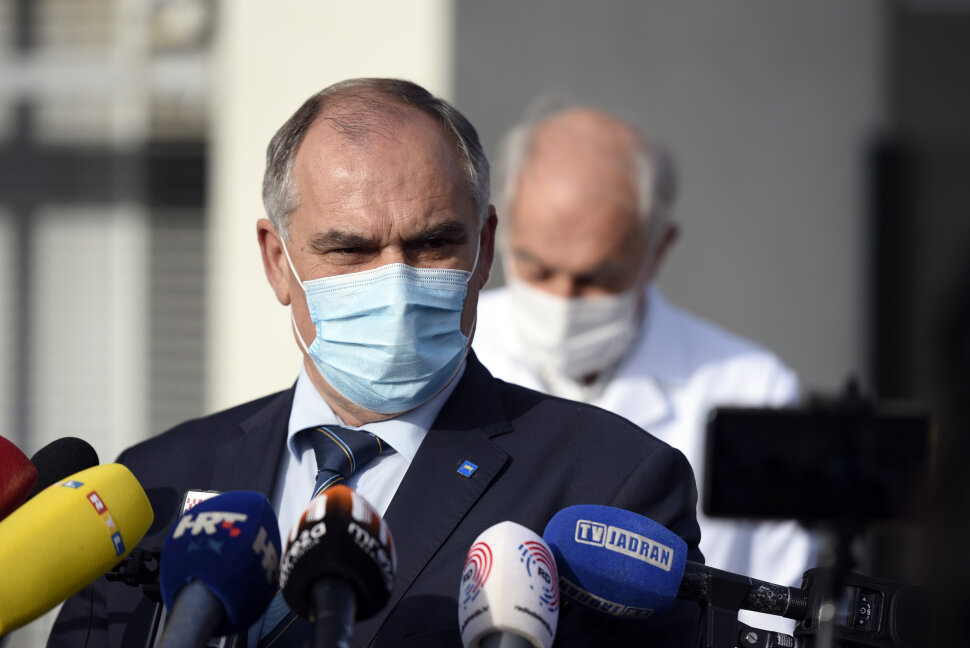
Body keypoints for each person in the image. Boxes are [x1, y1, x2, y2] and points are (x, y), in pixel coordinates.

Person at [48, 79, 703, 647]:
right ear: (278, 261)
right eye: (350, 250)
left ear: (484, 247)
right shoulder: (153, 486)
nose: (397, 282)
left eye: (433, 243)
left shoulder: (611, 485)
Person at [472, 105, 816, 627]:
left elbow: (782, 608)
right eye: (537, 269)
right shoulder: (452, 356)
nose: (563, 302)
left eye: (598, 279)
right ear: (497, 233)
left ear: (658, 249)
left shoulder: (752, 390)